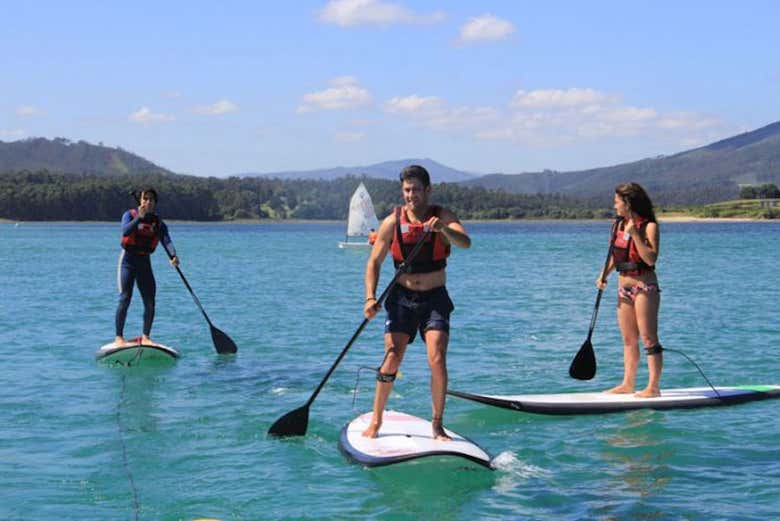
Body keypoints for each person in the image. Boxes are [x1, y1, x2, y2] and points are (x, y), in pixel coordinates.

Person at [361, 165, 471, 441]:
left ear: (428, 190)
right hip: (401, 299)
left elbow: (465, 242)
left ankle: (437, 424)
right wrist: (371, 297)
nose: (411, 195)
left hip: (435, 299)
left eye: (417, 190)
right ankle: (376, 420)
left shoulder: (442, 215)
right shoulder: (391, 222)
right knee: (392, 357)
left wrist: (443, 229)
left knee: (437, 357)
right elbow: (374, 262)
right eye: (407, 190)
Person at [596, 182, 663, 398]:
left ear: (628, 202)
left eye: (617, 201)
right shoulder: (616, 225)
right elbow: (616, 256)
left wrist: (634, 234)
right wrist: (603, 275)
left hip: (644, 287)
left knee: (648, 338)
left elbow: (650, 258)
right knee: (628, 339)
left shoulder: (649, 226)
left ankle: (653, 387)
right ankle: (628, 383)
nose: (614, 205)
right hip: (622, 287)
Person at [114, 187, 179, 346]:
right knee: (125, 298)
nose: (148, 202)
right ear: (140, 201)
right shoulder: (129, 215)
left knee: (150, 301)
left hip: (144, 263)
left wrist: (173, 256)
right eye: (145, 199)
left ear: (155, 203)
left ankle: (146, 337)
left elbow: (166, 240)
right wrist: (139, 219)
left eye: (151, 199)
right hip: (128, 261)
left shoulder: (158, 222)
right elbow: (126, 231)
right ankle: (119, 337)